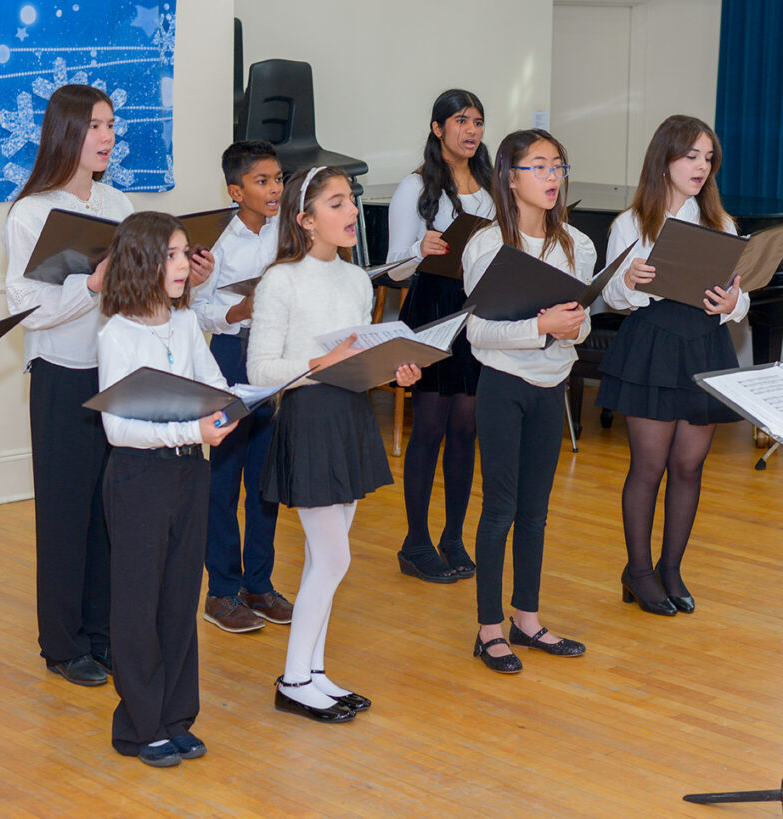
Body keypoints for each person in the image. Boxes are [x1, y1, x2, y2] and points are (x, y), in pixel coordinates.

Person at [3, 84, 212, 686]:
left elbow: (145, 294)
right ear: (66, 132)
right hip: (63, 376)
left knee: (111, 512)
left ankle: (104, 635)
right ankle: (63, 645)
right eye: (95, 126)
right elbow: (25, 307)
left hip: (120, 369)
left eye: (112, 126)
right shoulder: (31, 212)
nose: (107, 136)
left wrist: (187, 272)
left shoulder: (121, 204)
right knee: (66, 514)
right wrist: (90, 287)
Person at [248, 166, 421, 721]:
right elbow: (261, 369)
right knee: (333, 558)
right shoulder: (282, 280)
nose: (351, 213)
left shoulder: (355, 279)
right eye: (337, 203)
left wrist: (393, 371)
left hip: (348, 414)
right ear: (305, 219)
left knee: (325, 558)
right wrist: (320, 362)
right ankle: (294, 678)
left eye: (352, 201)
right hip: (309, 418)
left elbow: (358, 359)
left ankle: (313, 671)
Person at [97, 211, 238, 766]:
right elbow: (118, 428)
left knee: (180, 599)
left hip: (189, 472)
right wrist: (191, 429)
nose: (184, 265)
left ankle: (176, 717)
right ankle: (138, 725)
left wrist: (232, 404)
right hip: (138, 478)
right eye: (173, 255)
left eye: (184, 254)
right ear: (142, 261)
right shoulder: (117, 333)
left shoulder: (183, 324)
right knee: (138, 605)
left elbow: (214, 384)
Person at [597, 115, 748, 616]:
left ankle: (671, 568)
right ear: (665, 158)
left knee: (688, 465)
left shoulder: (721, 223)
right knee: (650, 465)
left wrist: (731, 306)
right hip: (653, 345)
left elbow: (738, 297)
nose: (701, 166)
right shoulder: (630, 222)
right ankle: (637, 572)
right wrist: (630, 281)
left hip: (704, 344)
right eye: (691, 156)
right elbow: (614, 299)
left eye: (708, 158)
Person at [462, 130, 592, 673]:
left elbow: (583, 325)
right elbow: (476, 331)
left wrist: (569, 330)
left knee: (536, 513)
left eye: (557, 167)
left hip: (551, 385)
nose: (551, 178)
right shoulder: (487, 245)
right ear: (510, 177)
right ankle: (489, 629)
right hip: (504, 386)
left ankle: (527, 619)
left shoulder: (577, 245)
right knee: (501, 508)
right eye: (538, 167)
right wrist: (540, 325)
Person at [387, 89, 495, 583]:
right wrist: (420, 248)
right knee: (429, 427)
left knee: (466, 429)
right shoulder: (415, 187)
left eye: (477, 122)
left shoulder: (493, 184)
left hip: (477, 309)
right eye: (459, 121)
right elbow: (392, 269)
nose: (470, 130)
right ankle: (415, 541)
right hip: (432, 305)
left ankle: (453, 536)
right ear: (437, 129)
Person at [191, 140, 293, 633]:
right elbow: (196, 308)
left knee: (265, 482)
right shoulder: (215, 242)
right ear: (236, 191)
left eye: (278, 179)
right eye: (262, 181)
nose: (275, 189)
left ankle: (260, 583)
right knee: (224, 481)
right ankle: (222, 592)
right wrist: (237, 311)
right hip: (230, 356)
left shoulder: (286, 231)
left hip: (273, 357)